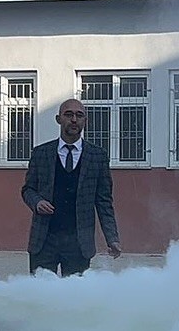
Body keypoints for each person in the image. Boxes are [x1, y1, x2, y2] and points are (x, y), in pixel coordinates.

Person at [21, 98, 122, 276]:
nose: (74, 120)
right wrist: (37, 202)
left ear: (85, 121)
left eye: (79, 115)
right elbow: (28, 190)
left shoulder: (98, 156)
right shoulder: (41, 153)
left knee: (75, 299)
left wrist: (112, 238)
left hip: (78, 243)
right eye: (68, 115)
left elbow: (104, 201)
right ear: (58, 119)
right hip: (44, 240)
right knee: (40, 296)